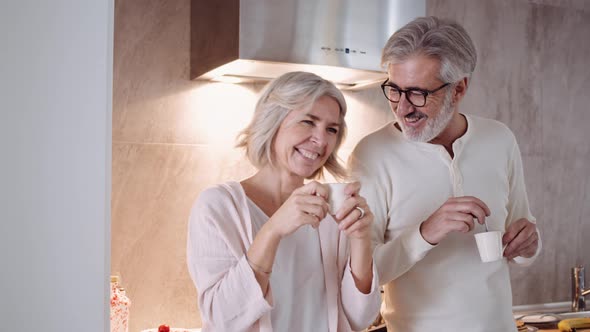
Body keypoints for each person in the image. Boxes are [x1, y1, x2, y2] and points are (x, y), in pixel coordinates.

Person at [349, 16, 542, 332]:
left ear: (459, 88)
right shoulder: (372, 154)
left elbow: (522, 233)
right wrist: (425, 233)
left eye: (417, 93)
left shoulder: (500, 139)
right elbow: (362, 277)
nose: (402, 106)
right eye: (394, 90)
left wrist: (530, 244)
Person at [187, 71, 381, 331]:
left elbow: (359, 319)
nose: (321, 140)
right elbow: (222, 318)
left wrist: (360, 239)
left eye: (331, 129)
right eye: (308, 122)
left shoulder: (331, 208)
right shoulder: (219, 206)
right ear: (273, 121)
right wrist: (273, 230)